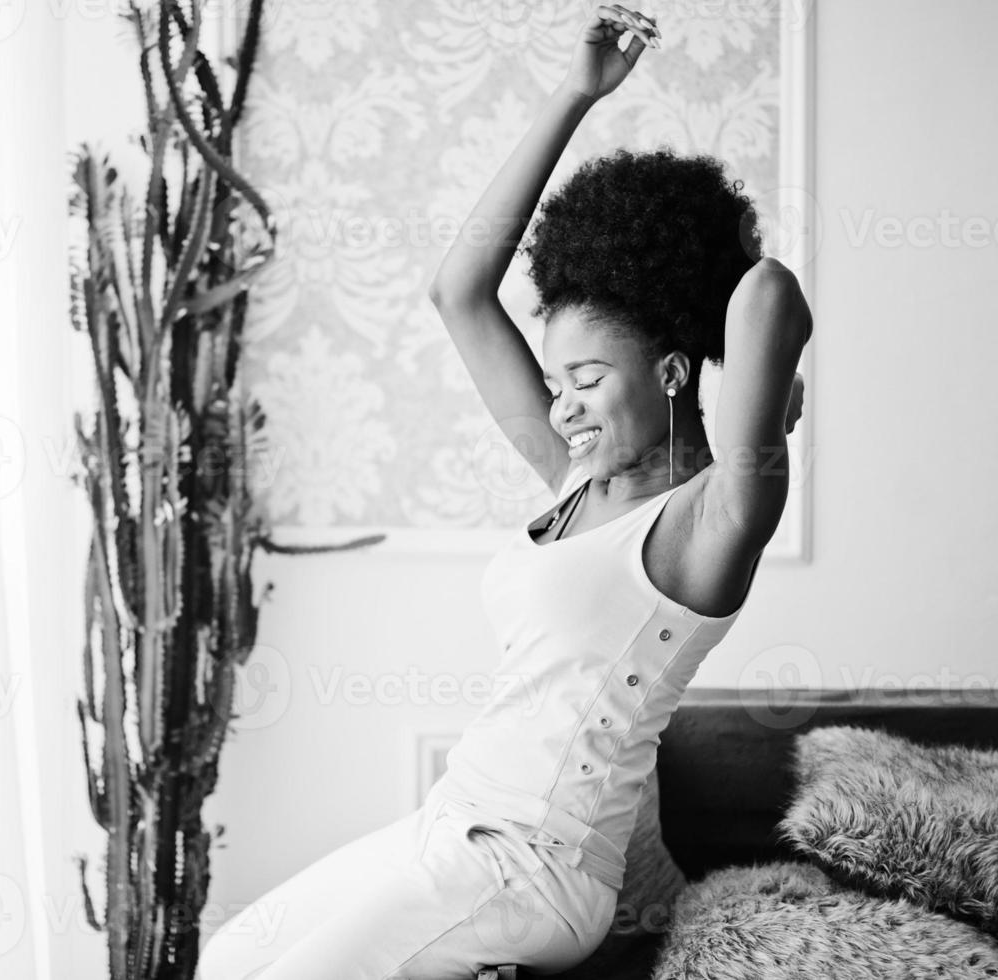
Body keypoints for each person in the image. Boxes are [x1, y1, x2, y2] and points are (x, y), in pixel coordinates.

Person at [196, 5, 811, 978]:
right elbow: (459, 290)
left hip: (540, 869)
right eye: (555, 381)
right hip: (452, 824)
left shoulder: (702, 526)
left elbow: (769, 295)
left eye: (589, 378)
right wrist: (576, 94)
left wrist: (738, 323)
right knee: (234, 958)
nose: (562, 407)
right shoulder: (573, 480)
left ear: (672, 370)